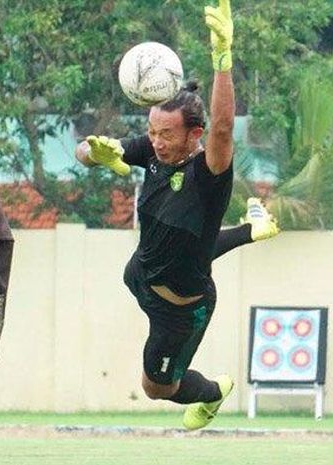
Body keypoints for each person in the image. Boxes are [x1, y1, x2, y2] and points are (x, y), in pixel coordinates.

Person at [75, 0, 276, 430]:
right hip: (141, 275)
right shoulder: (151, 150)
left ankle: (214, 391)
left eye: (166, 134)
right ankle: (251, 229)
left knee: (157, 389)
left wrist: (223, 58)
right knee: (183, 242)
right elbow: (83, 153)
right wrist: (95, 152)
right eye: (152, 132)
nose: (156, 141)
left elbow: (224, 128)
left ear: (194, 134)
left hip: (179, 311)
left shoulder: (210, 174)